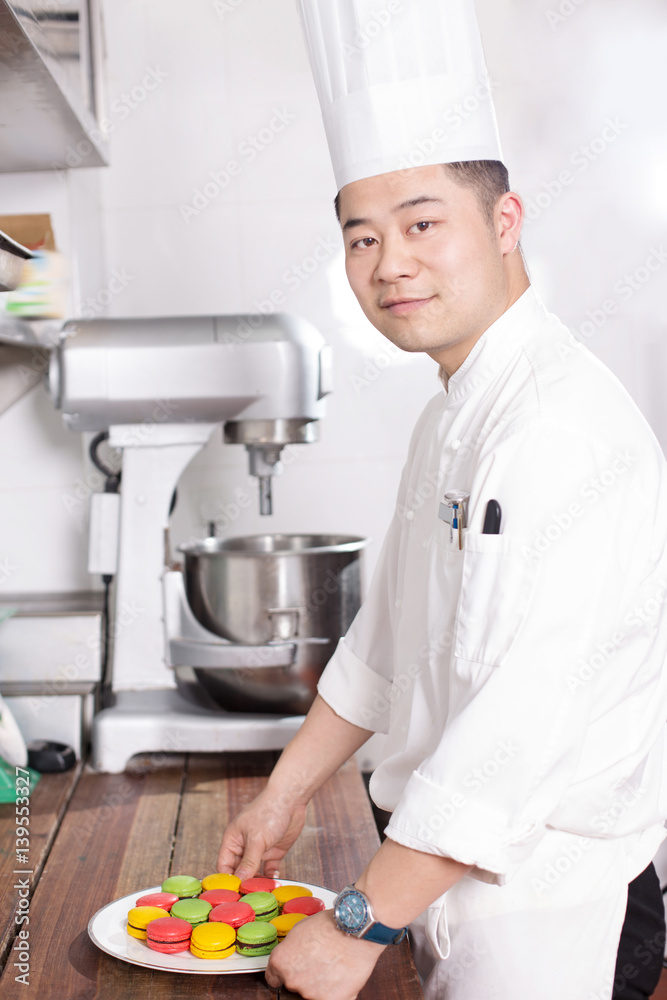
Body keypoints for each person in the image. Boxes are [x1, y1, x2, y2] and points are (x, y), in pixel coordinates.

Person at [217, 3, 667, 997]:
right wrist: (285, 794)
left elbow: (517, 726)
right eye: (362, 238)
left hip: (554, 915)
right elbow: (390, 643)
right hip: (444, 889)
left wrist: (354, 920)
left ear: (504, 222)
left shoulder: (554, 429)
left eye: (422, 224)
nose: (391, 265)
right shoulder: (455, 412)